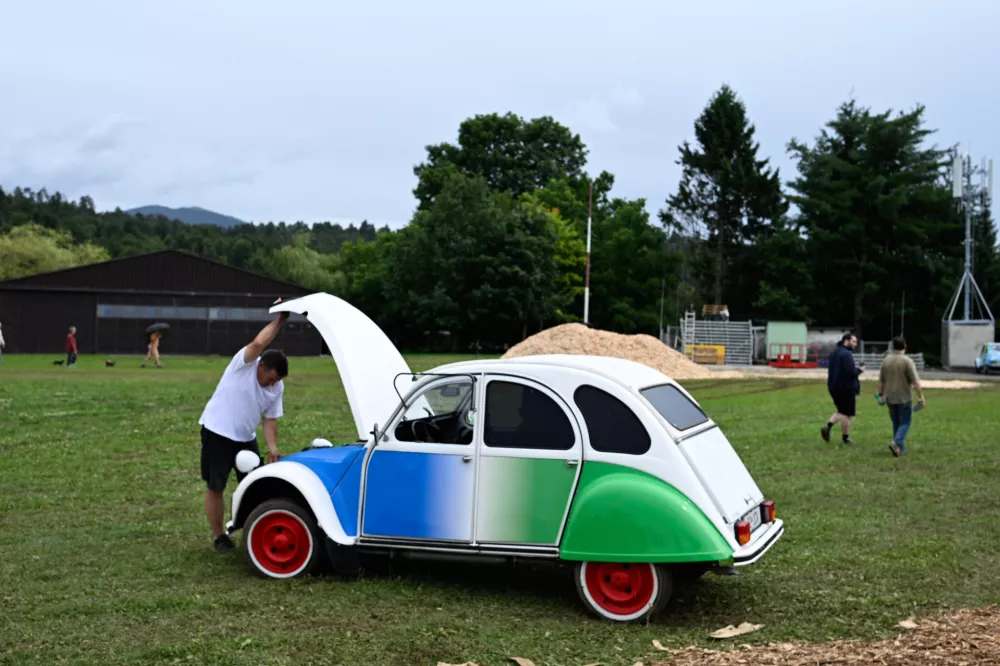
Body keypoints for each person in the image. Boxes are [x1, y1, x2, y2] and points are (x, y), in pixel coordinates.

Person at [198, 307, 289, 553]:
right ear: (260, 366)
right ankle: (220, 537)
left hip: (245, 439)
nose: (271, 385)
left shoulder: (276, 387)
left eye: (276, 381)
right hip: (217, 431)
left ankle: (257, 529)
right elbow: (259, 342)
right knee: (216, 485)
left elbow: (270, 419)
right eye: (269, 379)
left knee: (257, 484)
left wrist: (272, 448)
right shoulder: (244, 364)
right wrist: (280, 320)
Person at [879, 336, 925, 457]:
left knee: (896, 422)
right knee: (905, 422)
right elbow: (915, 382)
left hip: (890, 397)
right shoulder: (907, 361)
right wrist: (921, 397)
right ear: (905, 346)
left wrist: (880, 395)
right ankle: (897, 442)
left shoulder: (886, 360)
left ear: (893, 347)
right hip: (904, 397)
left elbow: (882, 381)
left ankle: (899, 449)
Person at [821, 332, 864, 445]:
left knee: (842, 411)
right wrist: (860, 370)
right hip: (846, 388)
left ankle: (831, 429)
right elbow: (851, 372)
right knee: (847, 413)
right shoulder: (846, 355)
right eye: (854, 341)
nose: (855, 344)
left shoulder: (834, 353)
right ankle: (842, 436)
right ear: (846, 340)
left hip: (834, 387)